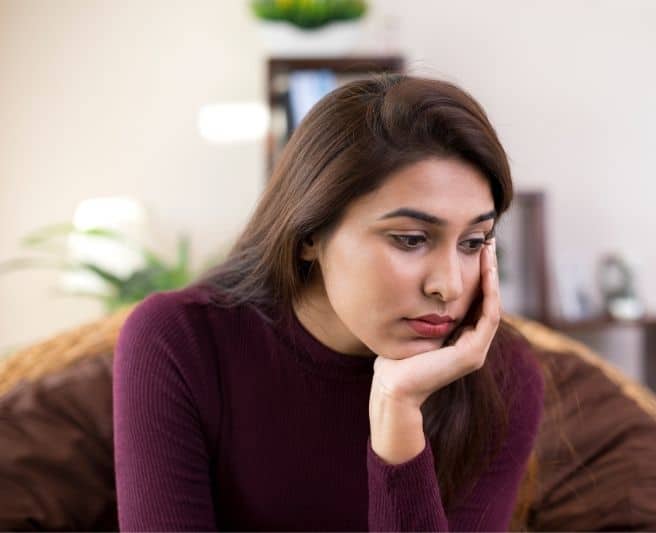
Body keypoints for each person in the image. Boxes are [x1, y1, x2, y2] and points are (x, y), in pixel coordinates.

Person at [113, 73, 545, 531]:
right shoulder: (178, 342)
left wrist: (397, 417)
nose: (450, 286)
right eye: (412, 239)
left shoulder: (502, 377)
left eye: (474, 242)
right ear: (309, 234)